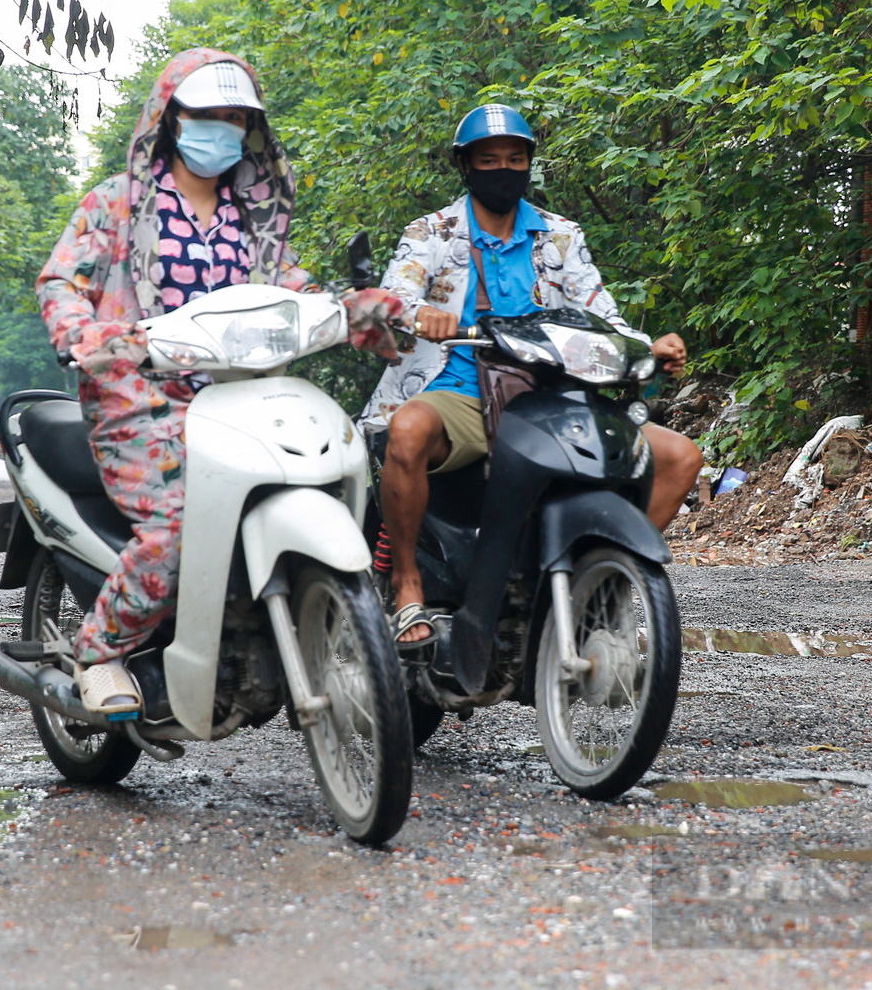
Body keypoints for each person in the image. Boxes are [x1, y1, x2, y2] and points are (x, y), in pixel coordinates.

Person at [37, 48, 402, 716]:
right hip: (139, 399)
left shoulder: (251, 222)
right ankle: (101, 651)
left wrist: (354, 308)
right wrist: (85, 333)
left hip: (240, 398)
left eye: (236, 118)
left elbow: (296, 287)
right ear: (173, 120)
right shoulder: (117, 205)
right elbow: (63, 281)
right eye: (209, 115)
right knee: (175, 526)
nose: (223, 129)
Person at [359, 104, 702, 646]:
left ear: (530, 164)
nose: (503, 170)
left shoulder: (561, 236)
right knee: (406, 431)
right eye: (489, 160)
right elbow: (393, 298)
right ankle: (407, 585)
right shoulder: (431, 232)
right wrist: (420, 315)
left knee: (681, 457)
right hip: (460, 387)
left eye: (515, 159)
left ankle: (597, 590)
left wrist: (648, 347)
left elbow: (602, 312)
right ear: (465, 166)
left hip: (553, 397)